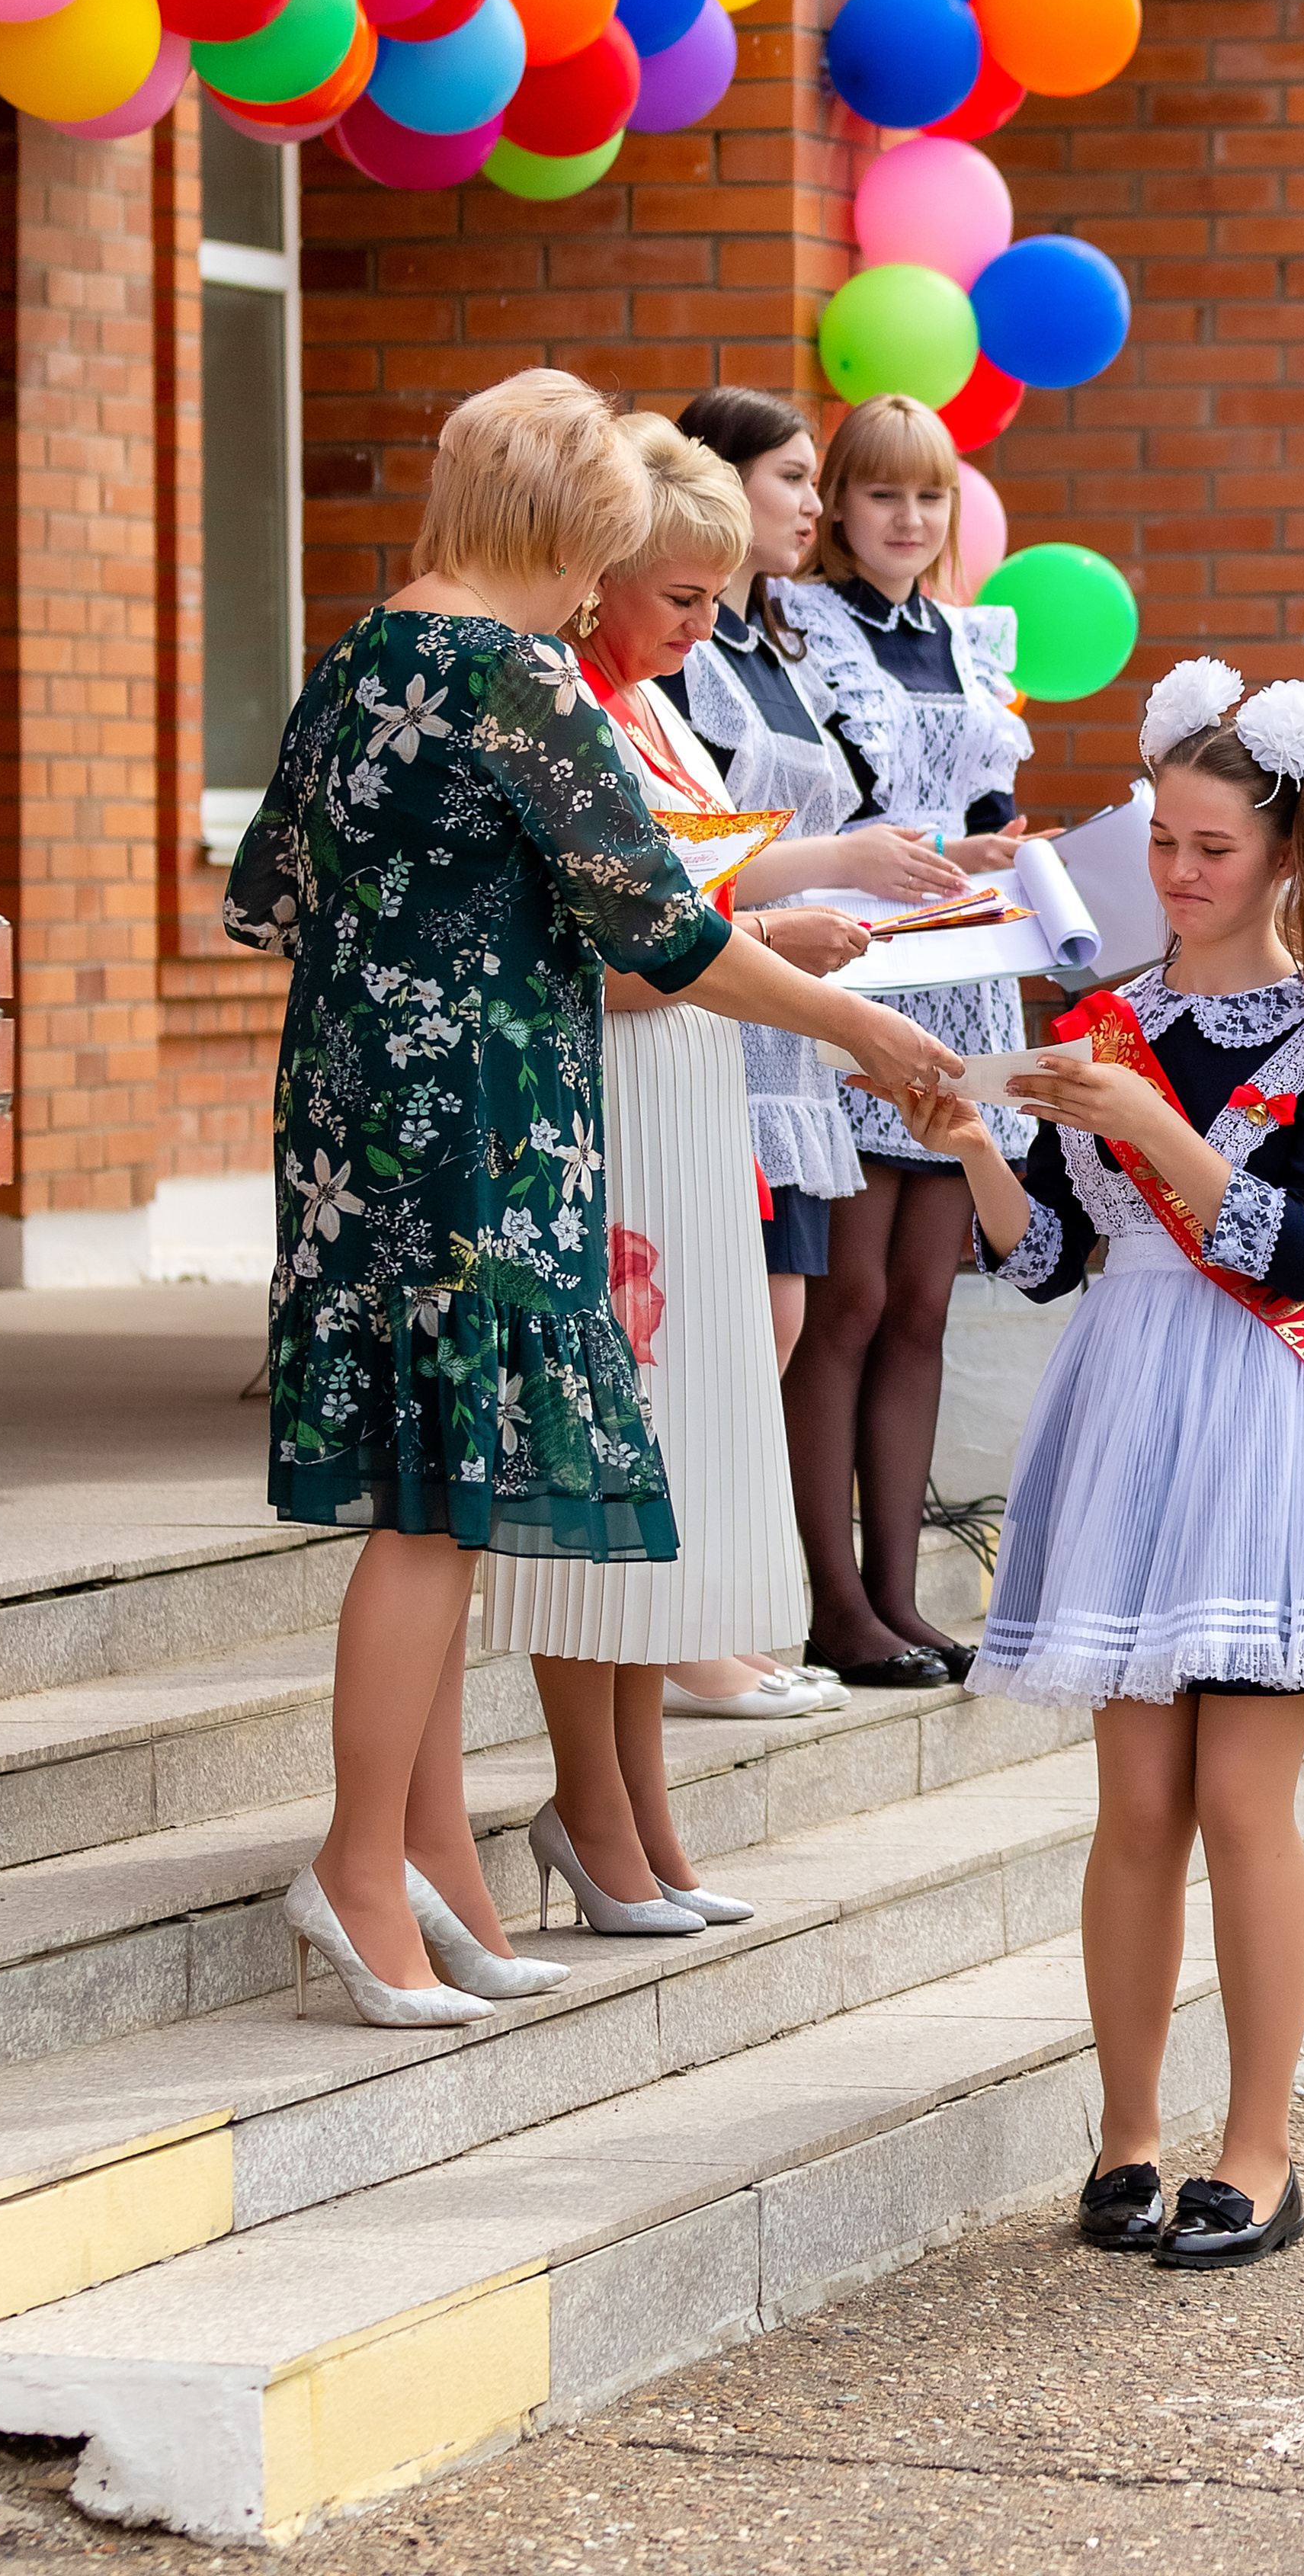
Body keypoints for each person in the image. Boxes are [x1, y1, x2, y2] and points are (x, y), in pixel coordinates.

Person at [225, 373, 961, 2027]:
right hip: (488, 1126)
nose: (597, 590)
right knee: (437, 1516)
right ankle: (359, 1867)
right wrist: (862, 1028)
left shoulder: (356, 658)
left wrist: (443, 936)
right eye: (602, 554)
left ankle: (413, 1867)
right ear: (561, 529)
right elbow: (669, 933)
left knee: (425, 1505)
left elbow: (262, 900)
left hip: (350, 1129)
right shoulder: (511, 675)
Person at [895, 659, 1304, 2269]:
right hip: (1123, 1400)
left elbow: (1290, 1254)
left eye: (1210, 847)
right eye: (1161, 838)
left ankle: (1259, 2151)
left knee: (1241, 1802)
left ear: (1285, 856)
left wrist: (1148, 1122)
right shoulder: (1104, 1021)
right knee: (1133, 1804)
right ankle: (1125, 2138)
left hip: (1264, 1414)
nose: (1175, 871)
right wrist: (969, 1140)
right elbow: (1042, 1269)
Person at [478, 414, 873, 1933]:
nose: (709, 626)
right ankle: (592, 1807)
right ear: (596, 581)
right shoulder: (566, 708)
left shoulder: (642, 705)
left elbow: (695, 884)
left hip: (683, 1089)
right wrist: (775, 949)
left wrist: (800, 905)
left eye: (717, 596)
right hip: (610, 1102)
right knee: (601, 1469)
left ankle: (639, 1807)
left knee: (668, 1472)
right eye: (682, 597)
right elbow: (600, 951)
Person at [658, 385, 976, 1710]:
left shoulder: (780, 644)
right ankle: (763, 1612)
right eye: (800, 479)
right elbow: (692, 846)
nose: (806, 505)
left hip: (836, 988)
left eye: (803, 480)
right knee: (784, 1313)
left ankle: (806, 1607)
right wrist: (843, 865)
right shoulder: (706, 652)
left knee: (822, 1311)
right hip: (752, 997)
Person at [776, 395, 1031, 1687]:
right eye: (881, 494)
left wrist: (1006, 844)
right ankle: (829, 1599)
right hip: (866, 971)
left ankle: (896, 1594)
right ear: (836, 511)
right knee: (853, 1295)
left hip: (974, 978)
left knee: (927, 1301)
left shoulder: (974, 637)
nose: (908, 518)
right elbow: (827, 805)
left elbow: (984, 798)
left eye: (929, 496)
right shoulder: (798, 630)